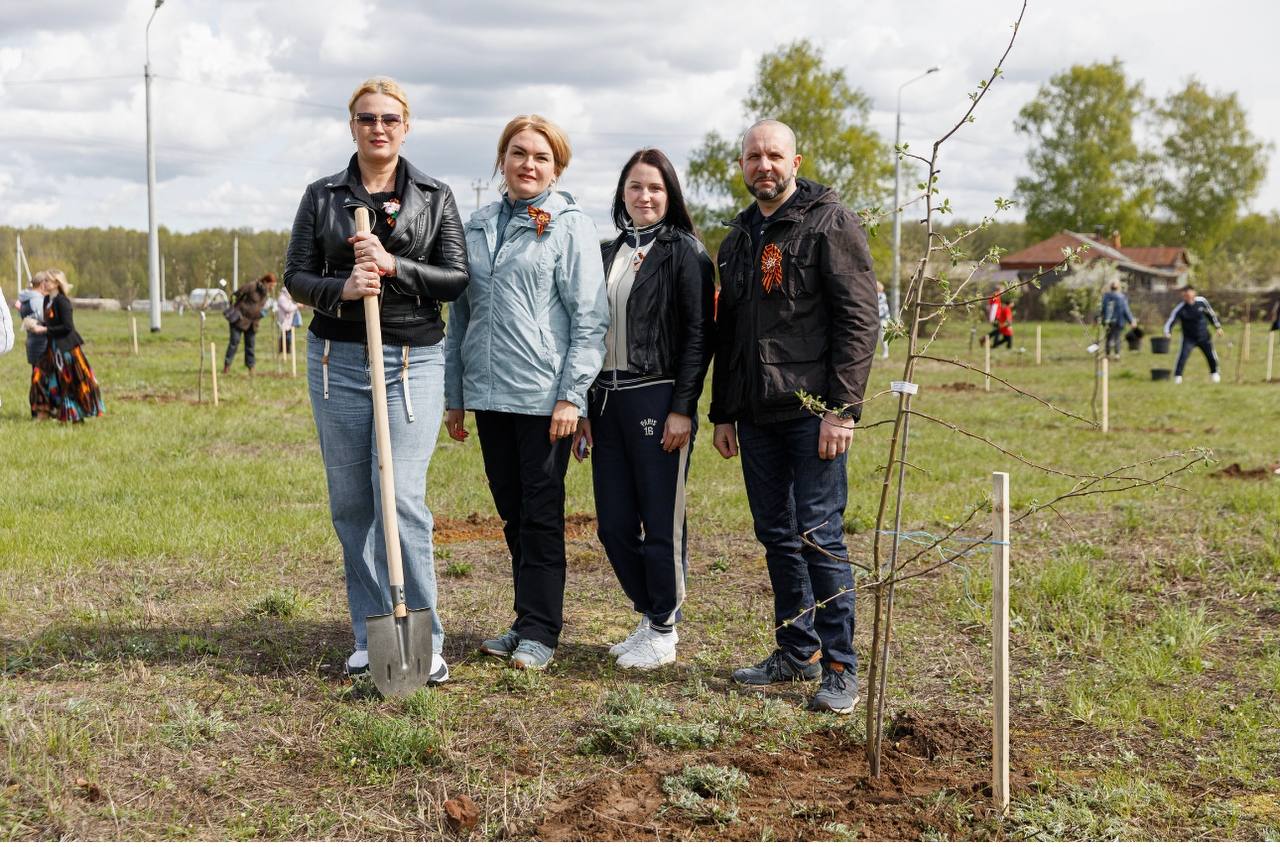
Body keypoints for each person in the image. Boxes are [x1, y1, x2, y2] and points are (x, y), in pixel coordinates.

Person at [284, 76, 469, 681]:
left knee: (400, 497)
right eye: (367, 118)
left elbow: (456, 278)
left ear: (406, 127)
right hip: (337, 362)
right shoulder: (323, 196)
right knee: (353, 503)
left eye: (390, 118)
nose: (378, 127)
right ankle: (372, 634)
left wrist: (394, 266)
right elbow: (295, 276)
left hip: (412, 359)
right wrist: (342, 289)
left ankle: (425, 639)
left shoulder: (435, 196)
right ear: (353, 127)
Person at [709, 120, 878, 714]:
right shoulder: (737, 240)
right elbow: (730, 334)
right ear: (742, 165)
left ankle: (840, 666)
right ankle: (795, 650)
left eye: (774, 155)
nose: (765, 165)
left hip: (814, 414)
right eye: (754, 156)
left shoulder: (830, 223)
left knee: (818, 535)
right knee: (776, 536)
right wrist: (723, 412)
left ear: (795, 162)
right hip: (756, 416)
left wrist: (842, 411)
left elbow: (860, 320)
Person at [444, 114, 608, 672]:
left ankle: (541, 630)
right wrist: (455, 394)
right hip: (489, 396)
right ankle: (524, 618)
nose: (528, 165)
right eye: (518, 153)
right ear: (502, 161)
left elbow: (589, 319)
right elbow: (459, 318)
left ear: (556, 168)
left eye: (541, 157)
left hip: (543, 399)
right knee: (512, 514)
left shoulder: (569, 227)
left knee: (540, 515)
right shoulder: (476, 226)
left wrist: (572, 396)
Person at [572, 148, 714, 670]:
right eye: (635, 186)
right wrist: (583, 406)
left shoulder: (686, 253)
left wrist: (683, 407)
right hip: (606, 401)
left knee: (659, 521)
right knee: (612, 525)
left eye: (655, 187)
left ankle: (664, 627)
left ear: (669, 194)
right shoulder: (606, 253)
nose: (645, 196)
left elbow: (699, 336)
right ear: (622, 193)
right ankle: (651, 612)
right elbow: (587, 331)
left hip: (658, 397)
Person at [30, 270, 105, 423]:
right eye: (44, 280)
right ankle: (44, 412)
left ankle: (75, 415)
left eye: (47, 280)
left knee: (70, 382)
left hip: (67, 349)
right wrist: (35, 324)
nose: (44, 283)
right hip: (52, 348)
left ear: (56, 283)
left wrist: (45, 329)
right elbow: (51, 323)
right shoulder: (47, 300)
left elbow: (67, 327)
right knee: (38, 375)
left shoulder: (62, 301)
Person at [1163, 285, 1223, 384]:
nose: (1187, 296)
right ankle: (1178, 377)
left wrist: (1218, 327)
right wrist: (1167, 332)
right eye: (1185, 295)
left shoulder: (1202, 302)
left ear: (1193, 293)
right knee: (1183, 356)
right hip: (1189, 338)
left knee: (1211, 356)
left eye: (1189, 293)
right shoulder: (1181, 308)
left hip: (1204, 336)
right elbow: (1171, 320)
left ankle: (1215, 374)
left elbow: (1211, 314)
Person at [223, 272, 276, 374]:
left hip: (252, 323)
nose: (272, 288)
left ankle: (251, 367)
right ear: (266, 282)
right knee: (234, 343)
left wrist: (262, 313)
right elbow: (235, 296)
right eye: (271, 285)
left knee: (250, 346)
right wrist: (235, 309)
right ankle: (227, 366)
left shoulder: (265, 293)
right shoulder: (252, 286)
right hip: (239, 320)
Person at [1099, 279, 1135, 358]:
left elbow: (1102, 309)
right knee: (1117, 337)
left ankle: (1108, 354)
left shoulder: (1106, 297)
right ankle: (1117, 354)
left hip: (1108, 321)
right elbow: (1126, 310)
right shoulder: (1122, 297)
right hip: (1119, 321)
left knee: (1108, 338)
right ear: (1118, 287)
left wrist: (1099, 318)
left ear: (1110, 287)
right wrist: (1131, 321)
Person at [275, 281, 301, 355]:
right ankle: (283, 350)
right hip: (284, 320)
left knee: (288, 336)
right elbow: (288, 308)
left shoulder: (287, 298)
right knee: (285, 336)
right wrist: (297, 306)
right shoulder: (282, 298)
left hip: (289, 320)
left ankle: (287, 350)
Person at [875, 280, 890, 359]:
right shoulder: (876, 295)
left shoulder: (881, 296)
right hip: (876, 319)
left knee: (883, 336)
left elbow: (878, 306)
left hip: (882, 319)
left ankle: (885, 352)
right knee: (875, 337)